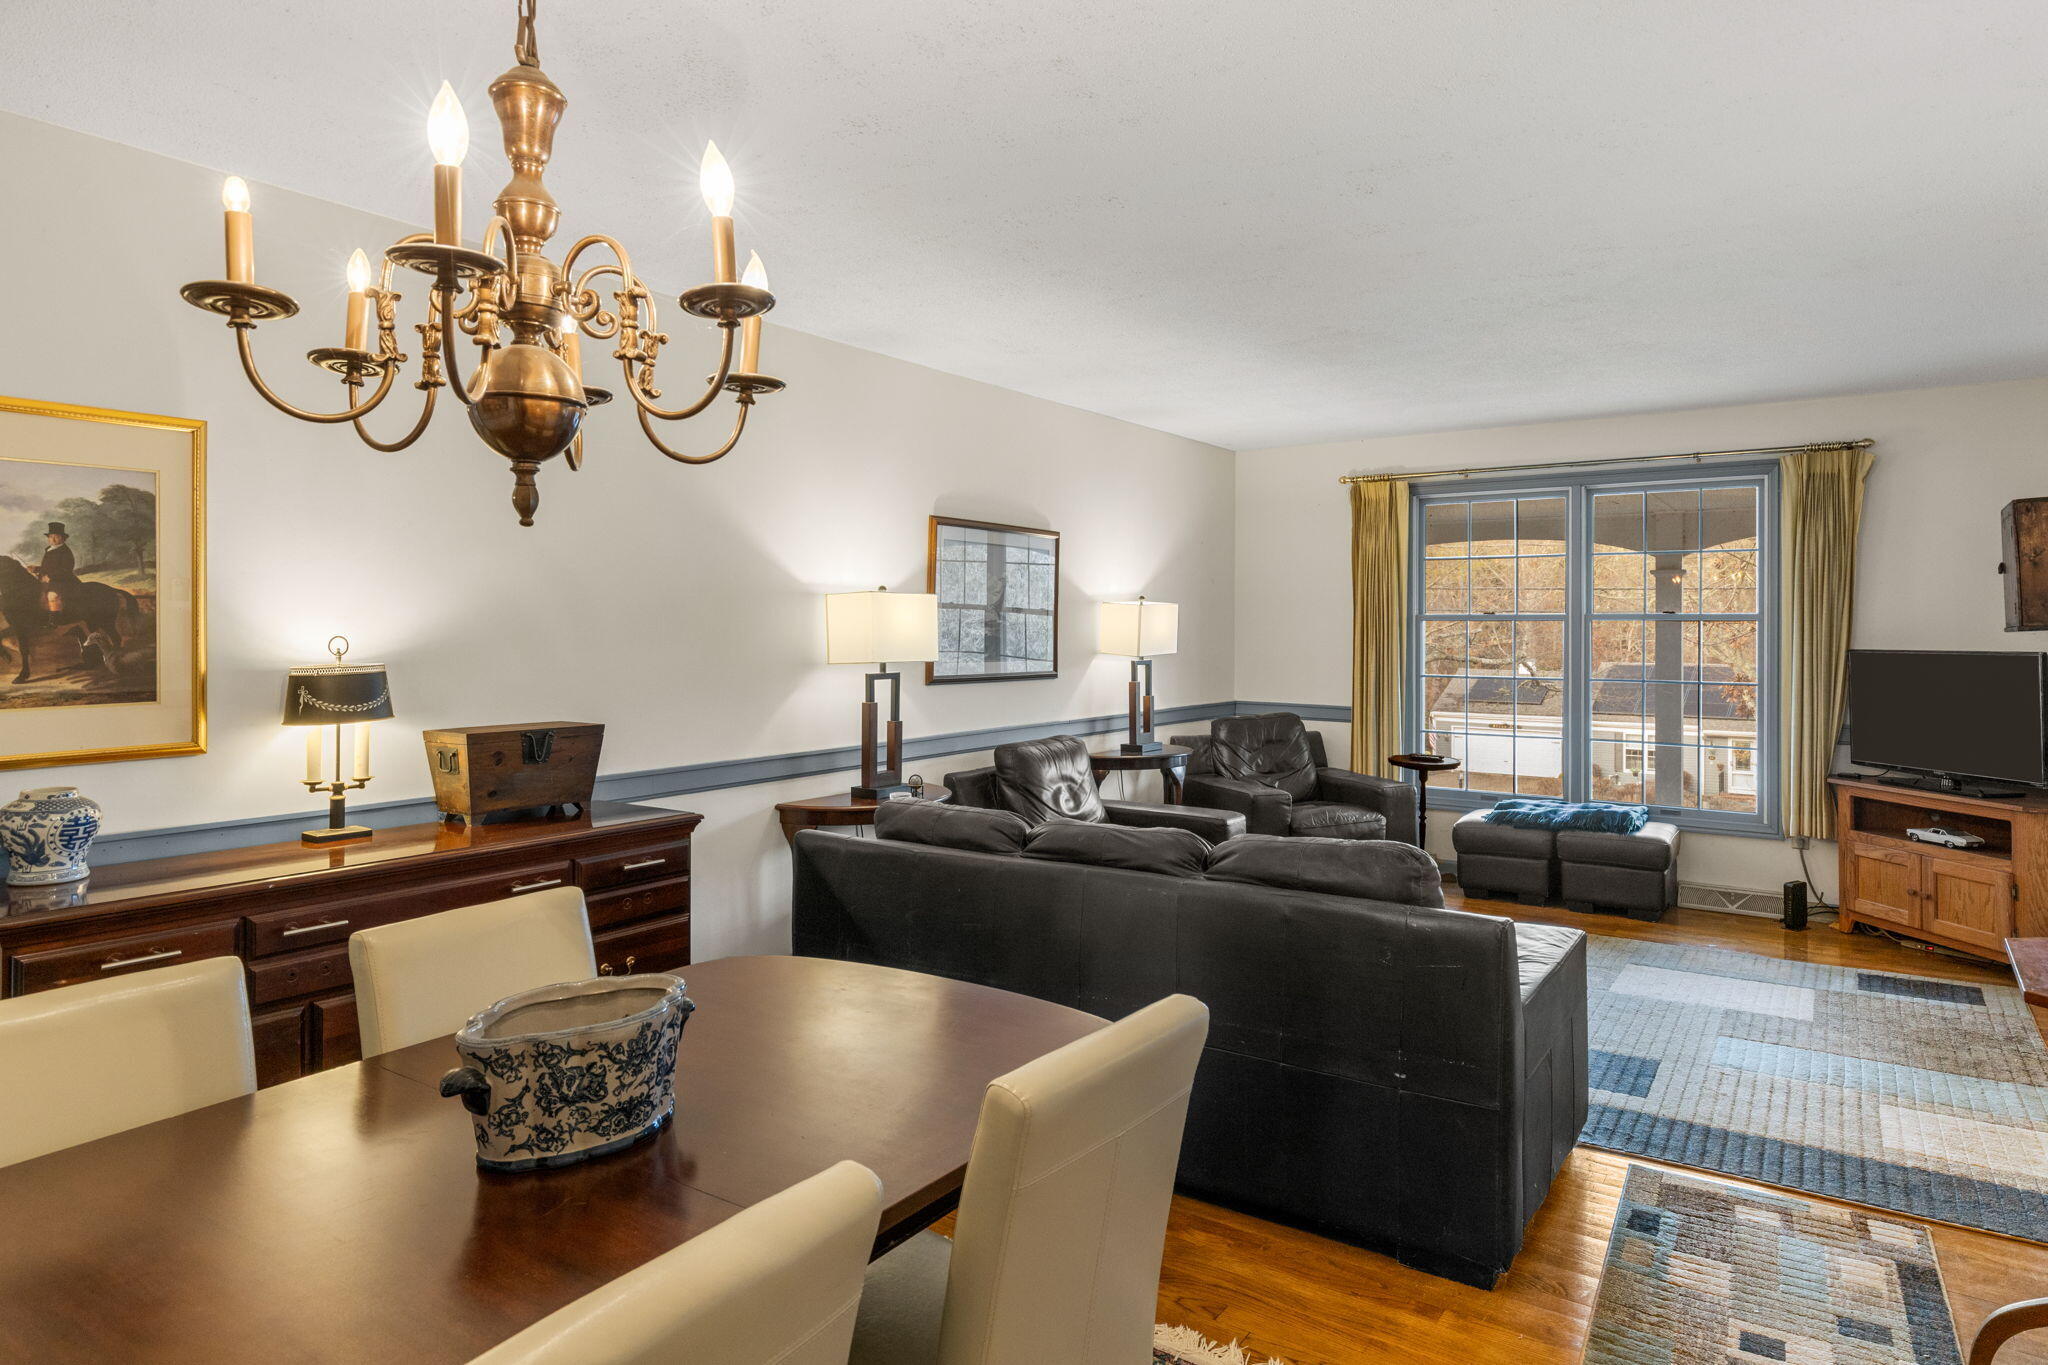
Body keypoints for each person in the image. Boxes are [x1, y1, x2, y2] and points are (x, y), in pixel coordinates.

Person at [31, 522, 79, 617]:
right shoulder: (49, 549)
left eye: (56, 537)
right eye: (50, 537)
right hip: (49, 580)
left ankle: (54, 619)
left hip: (63, 581)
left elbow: (66, 570)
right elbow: (48, 567)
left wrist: (50, 577)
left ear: (63, 538)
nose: (52, 539)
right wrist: (36, 569)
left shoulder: (65, 552)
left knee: (52, 595)